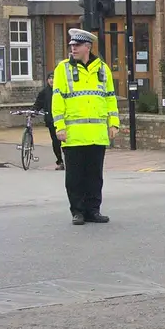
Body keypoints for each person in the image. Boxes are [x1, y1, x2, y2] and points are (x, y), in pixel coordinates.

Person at [51, 29, 119, 224]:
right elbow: (58, 100)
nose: (73, 49)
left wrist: (113, 123)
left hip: (97, 134)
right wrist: (60, 126)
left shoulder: (103, 69)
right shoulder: (62, 69)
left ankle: (93, 210)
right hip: (74, 135)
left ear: (87, 47)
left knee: (95, 176)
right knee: (75, 177)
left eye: (77, 46)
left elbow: (109, 98)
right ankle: (77, 211)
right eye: (71, 46)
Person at [33, 76, 64, 169]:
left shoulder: (62, 89)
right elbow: (38, 104)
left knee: (66, 142)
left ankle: (70, 162)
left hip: (63, 121)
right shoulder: (44, 92)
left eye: (54, 78)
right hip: (51, 121)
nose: (51, 80)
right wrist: (33, 111)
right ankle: (60, 162)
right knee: (56, 142)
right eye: (50, 78)